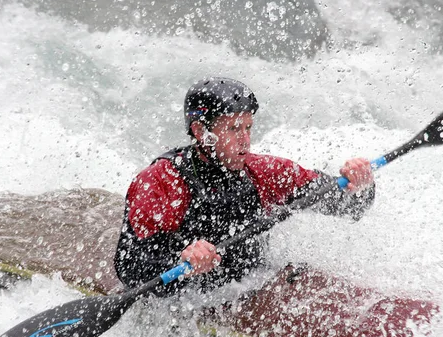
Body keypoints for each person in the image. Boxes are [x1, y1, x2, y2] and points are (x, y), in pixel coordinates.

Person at [114, 77, 375, 295]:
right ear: (200, 131)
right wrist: (182, 261)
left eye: (248, 127)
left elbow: (348, 207)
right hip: (186, 297)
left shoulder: (264, 172)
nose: (245, 141)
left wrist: (360, 185)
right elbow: (130, 268)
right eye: (233, 129)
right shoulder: (159, 182)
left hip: (248, 285)